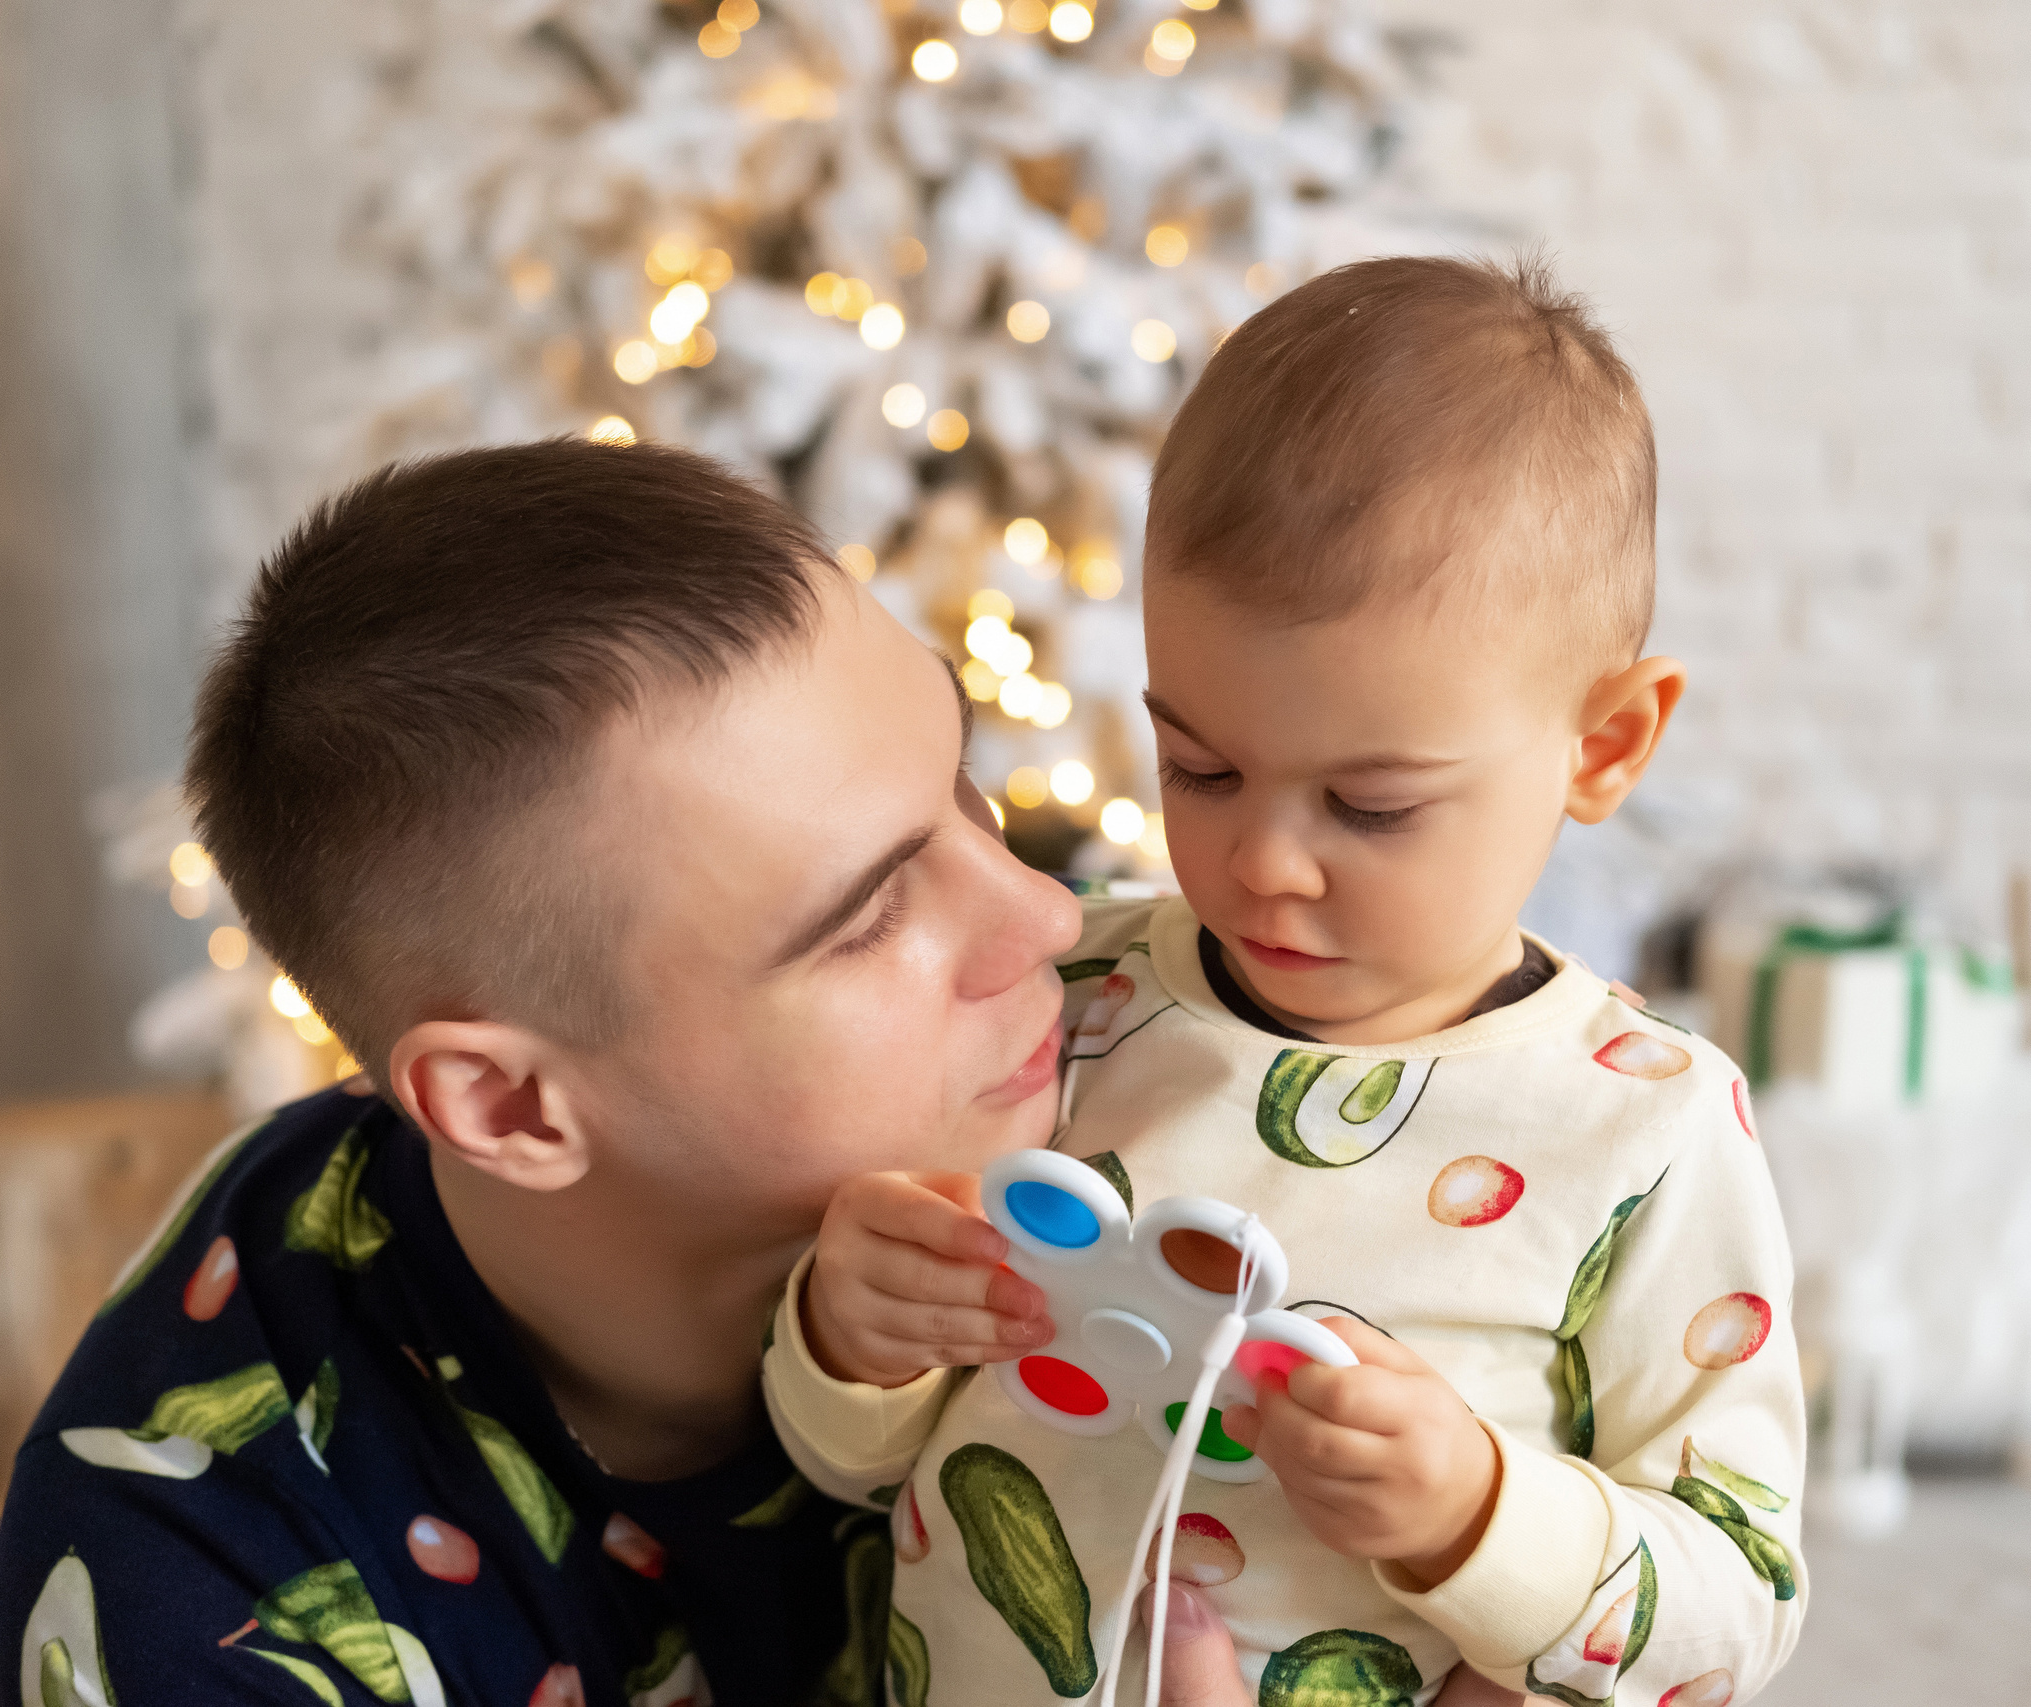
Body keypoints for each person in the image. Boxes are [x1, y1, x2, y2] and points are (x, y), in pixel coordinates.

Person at [0, 439, 1228, 1705]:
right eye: (865, 916)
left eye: (963, 786)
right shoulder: (211, 1605)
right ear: (510, 1106)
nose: (1049, 921)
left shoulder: (1174, 1025)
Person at [771, 256, 1808, 1706]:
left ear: (1605, 745)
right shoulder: (1066, 990)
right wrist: (848, 1333)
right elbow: (853, 1462)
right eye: (1201, 765)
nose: (1263, 863)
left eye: (1371, 806)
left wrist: (1481, 1515)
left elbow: (1736, 1607)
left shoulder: (1649, 1128)